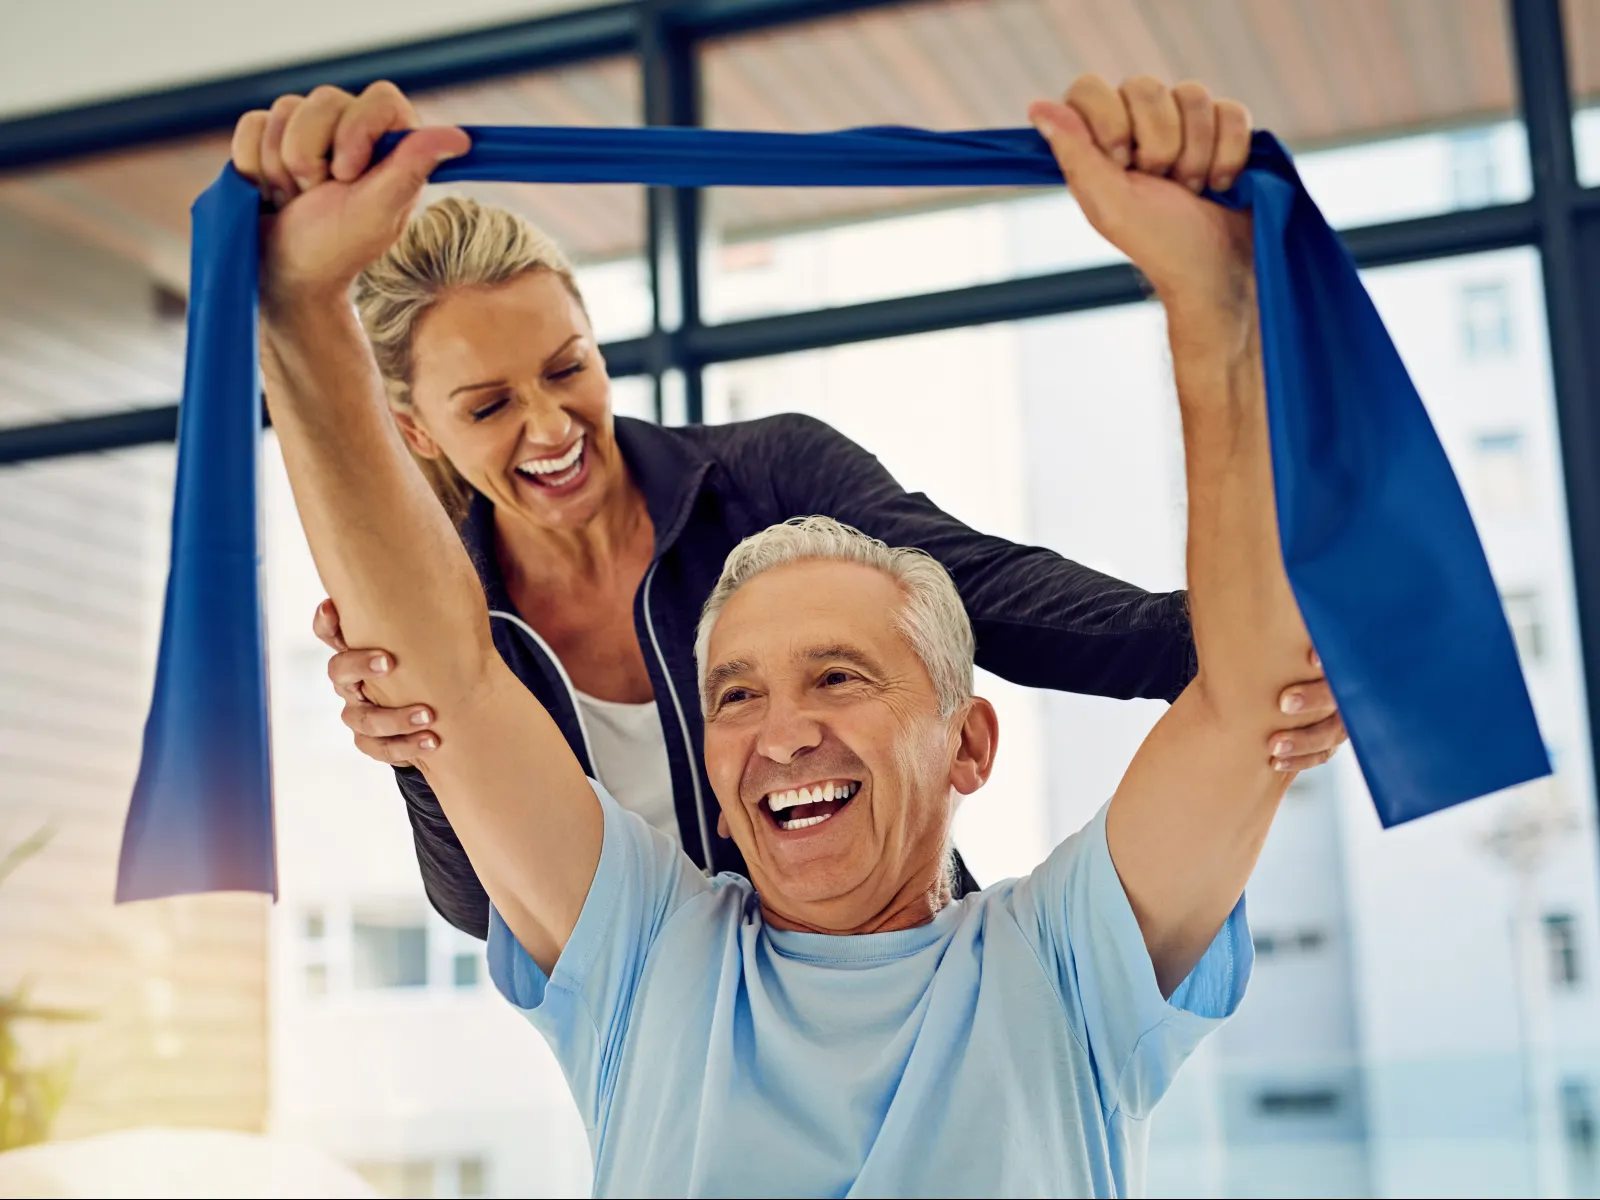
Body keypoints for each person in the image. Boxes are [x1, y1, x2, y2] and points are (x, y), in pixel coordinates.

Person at [248, 70, 1320, 1194]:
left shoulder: (1057, 966)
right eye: (734, 695)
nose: (783, 732)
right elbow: (450, 693)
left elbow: (1159, 663)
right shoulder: (649, 959)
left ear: (969, 742)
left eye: (839, 676)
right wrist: (298, 312)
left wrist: (1216, 295)